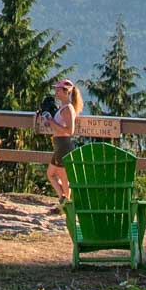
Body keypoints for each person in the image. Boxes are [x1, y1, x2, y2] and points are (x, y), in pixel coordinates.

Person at [44, 78, 83, 211]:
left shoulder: (68, 109)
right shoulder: (63, 108)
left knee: (62, 175)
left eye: (58, 90)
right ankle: (64, 199)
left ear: (66, 92)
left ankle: (66, 202)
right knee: (52, 174)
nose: (56, 92)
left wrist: (51, 121)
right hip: (59, 143)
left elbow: (70, 131)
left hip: (63, 144)